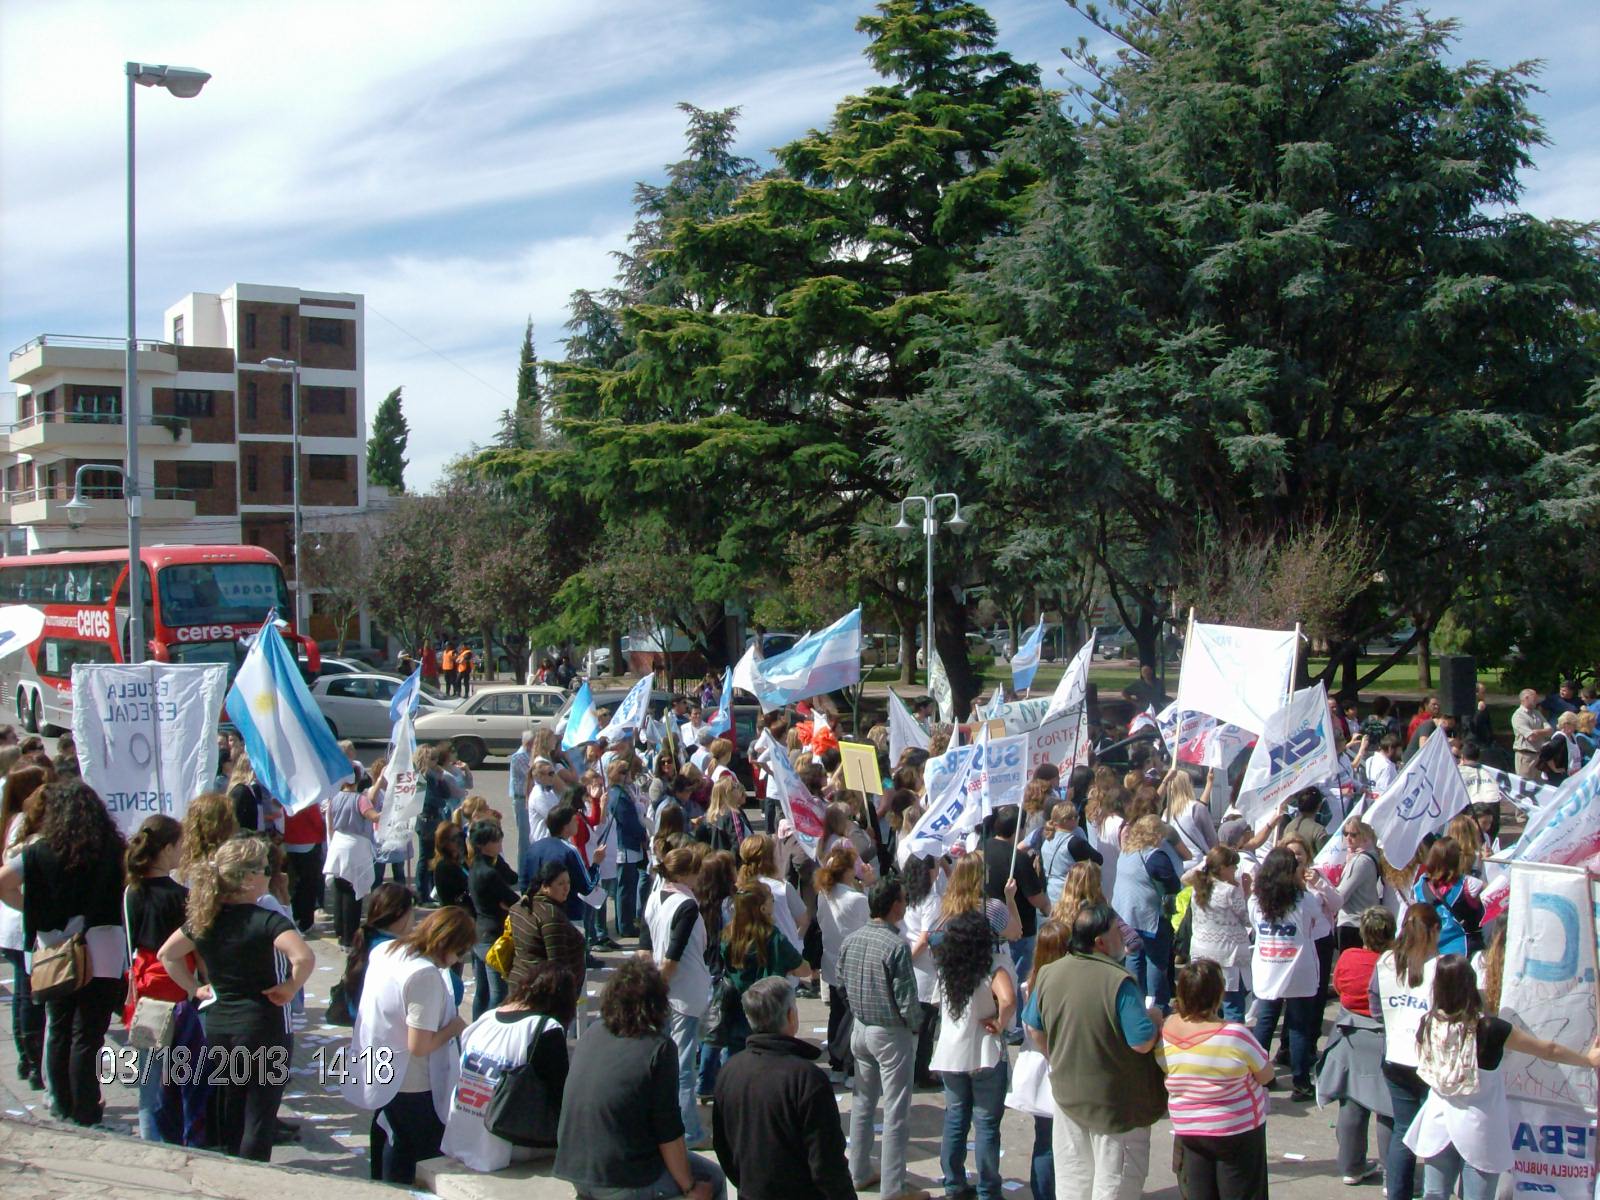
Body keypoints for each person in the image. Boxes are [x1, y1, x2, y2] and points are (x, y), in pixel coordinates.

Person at [157, 835, 314, 1160]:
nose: (270, 874)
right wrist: (290, 987)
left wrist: (193, 988)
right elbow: (304, 957)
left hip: (220, 1025)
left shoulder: (205, 920)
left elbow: (167, 954)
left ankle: (233, 1170)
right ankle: (251, 1179)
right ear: (247, 879)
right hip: (263, 1027)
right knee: (259, 1114)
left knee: (233, 1109)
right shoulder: (268, 920)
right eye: (265, 869)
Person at [1404, 956, 1600, 1200]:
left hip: (1437, 1121)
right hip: (1479, 1127)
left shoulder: (1427, 1023)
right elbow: (1548, 1050)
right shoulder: (1489, 1029)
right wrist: (1587, 1060)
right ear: (1470, 985)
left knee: (1434, 1193)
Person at [0, 780, 129, 1128]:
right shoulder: (112, 849)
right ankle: (86, 1107)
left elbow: (3, 882)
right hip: (102, 947)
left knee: (58, 1028)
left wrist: (31, 908)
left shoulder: (38, 851)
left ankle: (61, 1102)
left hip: (54, 949)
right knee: (88, 1034)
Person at [1024, 902, 1166, 1200]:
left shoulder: (1050, 973)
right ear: (1100, 941)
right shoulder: (1119, 982)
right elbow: (1140, 1041)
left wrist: (1057, 1057)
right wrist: (1154, 1020)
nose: (1124, 938)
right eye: (1118, 932)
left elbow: (1033, 1027)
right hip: (1117, 1108)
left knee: (1074, 1184)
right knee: (1114, 1186)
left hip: (1068, 1099)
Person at [554, 957, 727, 1200]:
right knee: (713, 1179)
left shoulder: (592, 1033)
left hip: (575, 1167)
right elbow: (668, 1131)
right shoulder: (659, 1049)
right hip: (624, 1178)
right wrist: (690, 1189)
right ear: (658, 1003)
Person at [343, 904, 474, 1184]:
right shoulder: (424, 975)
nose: (457, 960)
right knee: (413, 1157)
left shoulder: (387, 950)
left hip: (380, 1068)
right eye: (460, 952)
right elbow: (419, 1045)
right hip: (413, 1081)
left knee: (387, 1139)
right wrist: (454, 1028)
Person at [712, 975, 855, 1200]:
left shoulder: (729, 1071)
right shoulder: (807, 1079)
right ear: (790, 1016)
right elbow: (827, 1163)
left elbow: (723, 1147)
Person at [836, 877, 929, 1200]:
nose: (906, 904)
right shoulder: (896, 946)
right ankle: (893, 1187)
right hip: (890, 1033)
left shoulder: (853, 939)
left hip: (860, 1027)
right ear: (894, 906)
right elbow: (906, 999)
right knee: (896, 1111)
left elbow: (840, 981)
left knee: (863, 1103)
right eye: (903, 900)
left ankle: (858, 1170)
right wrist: (917, 1024)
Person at [441, 961, 577, 1172]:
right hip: (503, 1140)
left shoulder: (484, 1019)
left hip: (461, 1135)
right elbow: (560, 1094)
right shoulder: (545, 1028)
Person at [123, 814, 207, 1146]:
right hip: (179, 988)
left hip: (144, 990)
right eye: (181, 845)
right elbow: (195, 949)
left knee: (149, 1075)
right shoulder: (182, 896)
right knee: (183, 1072)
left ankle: (150, 1137)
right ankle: (177, 1137)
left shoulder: (132, 890)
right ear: (168, 848)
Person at [1161, 957, 1273, 1199]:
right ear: (1218, 994)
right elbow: (1266, 1075)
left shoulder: (1167, 1030)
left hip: (1189, 1129)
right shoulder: (1235, 1035)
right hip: (1237, 1130)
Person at [930, 909, 1017, 1200]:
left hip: (951, 1053)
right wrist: (1000, 1024)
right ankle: (988, 1189)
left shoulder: (945, 968)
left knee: (955, 1119)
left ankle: (953, 1183)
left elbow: (935, 1005)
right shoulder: (993, 965)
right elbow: (1008, 999)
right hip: (984, 1053)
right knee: (987, 1125)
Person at [1249, 845, 1339, 1101]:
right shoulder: (1304, 899)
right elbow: (1316, 921)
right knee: (1298, 1026)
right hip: (1299, 968)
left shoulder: (1256, 900)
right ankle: (1301, 1082)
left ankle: (1258, 1076)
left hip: (1268, 966)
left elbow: (1256, 925)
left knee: (1265, 1022)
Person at [640, 844, 712, 1149]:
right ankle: (690, 1132)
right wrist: (661, 986)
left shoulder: (655, 897)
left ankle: (663, 1122)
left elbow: (645, 950)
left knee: (665, 1062)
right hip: (683, 992)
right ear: (685, 874)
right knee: (683, 1066)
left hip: (665, 989)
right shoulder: (686, 905)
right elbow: (673, 957)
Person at [1319, 906, 1397, 1187]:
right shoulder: (1396, 964)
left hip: (1350, 1036)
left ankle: (1351, 1166)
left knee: (1351, 1102)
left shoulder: (1349, 958)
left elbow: (1339, 987)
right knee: (1388, 1108)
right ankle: (1393, 1176)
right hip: (1386, 1039)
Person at [1373, 903, 1441, 1200]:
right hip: (1430, 1060)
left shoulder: (1386, 961)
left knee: (1403, 1131)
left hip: (1395, 1055)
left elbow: (1375, 1007)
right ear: (1434, 931)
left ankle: (1397, 1194)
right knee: (1439, 1133)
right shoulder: (1441, 966)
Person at [0, 760, 50, 1089]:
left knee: (23, 989)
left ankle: (26, 1054)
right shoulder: (24, 825)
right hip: (21, 920)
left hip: (14, 919)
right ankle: (31, 1058)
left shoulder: (13, 820)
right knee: (29, 993)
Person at [718, 884, 811, 1056]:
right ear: (763, 908)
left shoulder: (728, 935)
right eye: (772, 901)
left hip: (737, 1009)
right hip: (769, 1011)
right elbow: (804, 969)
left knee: (735, 1058)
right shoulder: (773, 937)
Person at [1111, 813, 1183, 1010]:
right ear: (1156, 834)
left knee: (1134, 957)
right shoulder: (1155, 856)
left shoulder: (1126, 850)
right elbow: (1173, 886)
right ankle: (1158, 1004)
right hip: (1149, 916)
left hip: (1124, 914)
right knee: (1156, 960)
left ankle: (1136, 1001)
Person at [816, 842, 871, 1077]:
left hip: (830, 961)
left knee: (836, 1014)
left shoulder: (824, 894)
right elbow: (870, 923)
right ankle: (849, 1067)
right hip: (853, 964)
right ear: (848, 871)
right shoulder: (856, 899)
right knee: (852, 1018)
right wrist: (868, 886)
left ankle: (837, 1064)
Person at [985, 805, 1050, 993]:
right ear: (1018, 829)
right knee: (1018, 984)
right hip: (1020, 932)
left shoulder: (982, 847)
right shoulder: (1019, 859)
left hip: (992, 929)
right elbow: (1037, 899)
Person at [1185, 845, 1252, 1020]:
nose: (1236, 869)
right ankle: (1232, 1043)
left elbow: (1185, 877)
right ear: (1222, 868)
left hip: (1201, 953)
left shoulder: (1197, 887)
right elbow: (1247, 919)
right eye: (1233, 866)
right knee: (1233, 1006)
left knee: (1207, 1005)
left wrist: (1206, 862)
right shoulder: (1230, 891)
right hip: (1227, 956)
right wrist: (1247, 892)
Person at [506, 858, 587, 991]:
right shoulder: (551, 916)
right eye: (560, 884)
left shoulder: (519, 906)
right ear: (545, 886)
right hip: (540, 993)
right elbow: (558, 967)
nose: (566, 888)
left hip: (519, 983)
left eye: (568, 882)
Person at [338, 883, 417, 1019]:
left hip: (363, 1021)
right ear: (399, 913)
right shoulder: (394, 950)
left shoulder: (368, 937)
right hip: (382, 1027)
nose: (414, 919)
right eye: (412, 911)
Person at [900, 853, 945, 1087]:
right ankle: (922, 1072)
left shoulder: (905, 895)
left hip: (907, 965)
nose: (938, 870)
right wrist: (908, 958)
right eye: (936, 865)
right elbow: (926, 937)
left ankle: (913, 1070)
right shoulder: (931, 899)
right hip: (923, 969)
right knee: (926, 1026)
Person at [467, 821, 520, 1018]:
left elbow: (512, 879)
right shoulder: (489, 873)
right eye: (495, 840)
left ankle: (475, 1027)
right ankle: (486, 1029)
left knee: (482, 991)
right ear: (483, 845)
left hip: (479, 933)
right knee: (498, 994)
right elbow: (512, 899)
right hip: (493, 937)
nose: (499, 843)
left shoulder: (478, 866)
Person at [325, 768, 381, 949]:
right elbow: (373, 817)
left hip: (338, 844)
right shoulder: (360, 800)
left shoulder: (335, 798)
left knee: (340, 890)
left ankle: (340, 932)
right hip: (355, 847)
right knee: (353, 892)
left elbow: (331, 824)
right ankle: (350, 937)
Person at [1412, 837, 1484, 957]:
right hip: (1463, 952)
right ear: (1457, 860)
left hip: (1431, 952)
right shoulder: (1470, 884)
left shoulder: (1419, 885)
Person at [606, 756, 649, 940]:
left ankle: (626, 922)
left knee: (628, 887)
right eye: (623, 771)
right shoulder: (618, 795)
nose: (628, 774)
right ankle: (625, 925)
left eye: (628, 770)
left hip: (629, 845)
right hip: (625, 846)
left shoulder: (624, 792)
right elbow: (629, 822)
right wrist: (643, 835)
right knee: (625, 889)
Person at [1335, 820, 1385, 951]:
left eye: (1353, 834)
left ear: (1365, 835)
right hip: (1362, 922)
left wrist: (1321, 885)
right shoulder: (1369, 856)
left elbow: (1341, 896)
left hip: (1352, 923)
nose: (1348, 838)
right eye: (1345, 833)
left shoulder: (1361, 861)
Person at [1040, 802, 1101, 904]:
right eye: (1076, 816)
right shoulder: (1074, 843)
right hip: (1071, 893)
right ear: (1067, 820)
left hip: (1052, 893)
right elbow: (1098, 859)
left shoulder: (1047, 840)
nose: (1078, 818)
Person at [1512, 688, 1553, 778]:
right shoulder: (1519, 716)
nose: (1537, 701)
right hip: (1526, 756)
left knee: (1539, 786)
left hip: (1539, 756)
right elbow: (1531, 737)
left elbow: (1550, 730)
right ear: (1526, 698)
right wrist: (1542, 732)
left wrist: (1537, 731)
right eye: (1534, 698)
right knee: (1525, 787)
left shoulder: (1537, 713)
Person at [431, 821, 471, 910]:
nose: (459, 841)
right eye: (454, 839)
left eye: (461, 836)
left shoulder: (460, 861)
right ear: (444, 843)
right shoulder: (444, 866)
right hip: (455, 914)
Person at [508, 730, 535, 850]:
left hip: (528, 799)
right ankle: (523, 868)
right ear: (529, 743)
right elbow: (532, 776)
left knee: (532, 837)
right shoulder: (519, 757)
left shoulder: (530, 755)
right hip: (522, 800)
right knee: (525, 839)